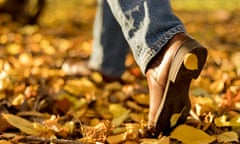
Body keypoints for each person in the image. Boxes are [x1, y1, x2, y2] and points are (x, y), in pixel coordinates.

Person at [63, 0, 207, 137]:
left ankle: (161, 48)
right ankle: (107, 61)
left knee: (160, 42)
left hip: (161, 43)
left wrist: (161, 40)